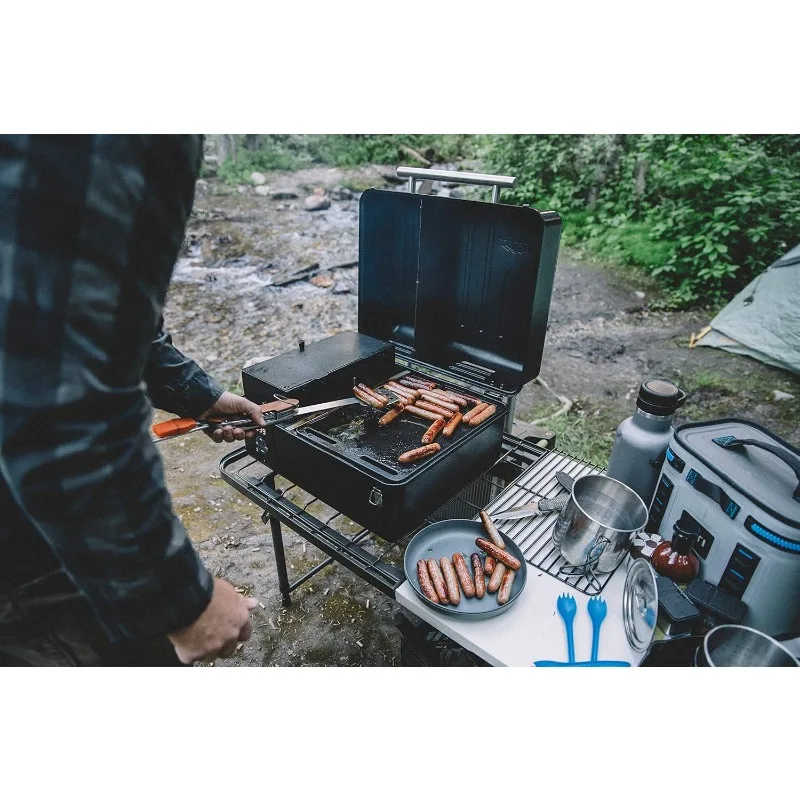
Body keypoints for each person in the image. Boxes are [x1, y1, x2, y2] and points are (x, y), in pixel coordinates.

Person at [0, 134, 262, 666]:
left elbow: (85, 313)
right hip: (24, 551)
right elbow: (61, 409)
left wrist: (201, 396)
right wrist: (182, 601)